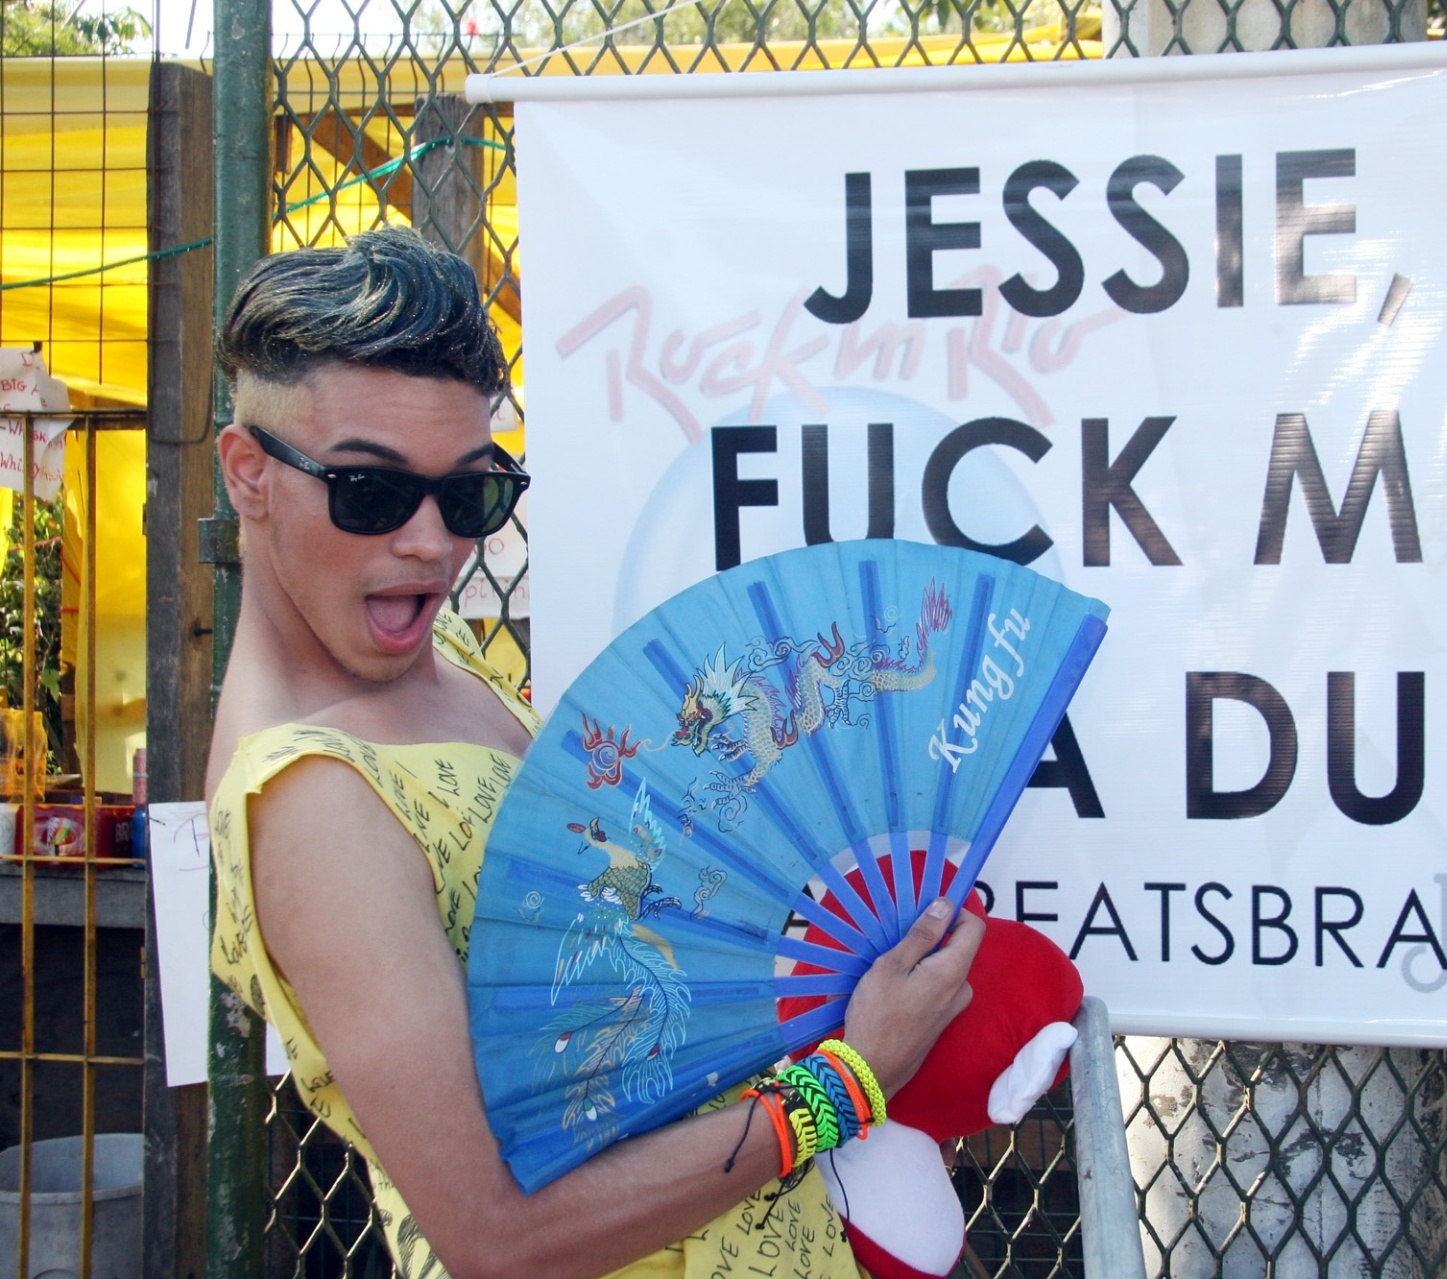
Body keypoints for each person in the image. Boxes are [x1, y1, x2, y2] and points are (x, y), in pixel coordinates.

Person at [205, 227, 984, 1279]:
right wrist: (849, 1080)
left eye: (472, 493)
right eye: (372, 494)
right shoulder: (312, 798)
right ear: (248, 471)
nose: (432, 543)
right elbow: (497, 1234)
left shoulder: (446, 675)